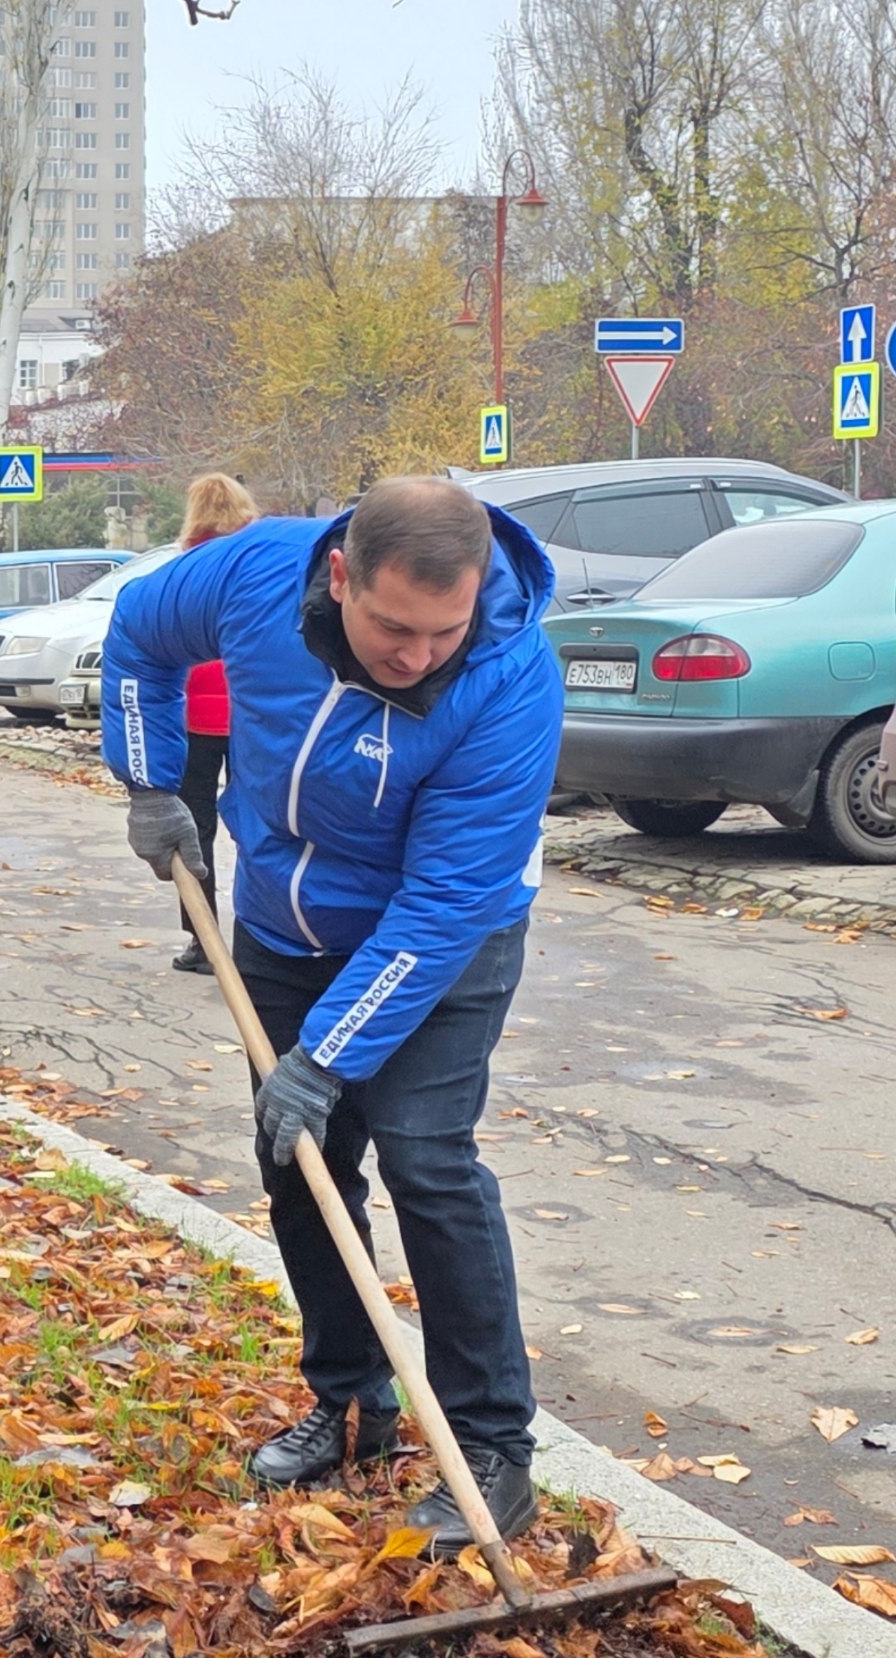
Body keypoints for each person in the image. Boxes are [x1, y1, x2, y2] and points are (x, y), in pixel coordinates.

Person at [99, 476, 562, 1554]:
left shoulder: (506, 678)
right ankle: (352, 1405)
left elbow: (444, 902)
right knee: (294, 1155)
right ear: (340, 574)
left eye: (442, 631)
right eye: (394, 627)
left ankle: (494, 1454)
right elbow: (136, 631)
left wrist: (328, 1052)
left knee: (427, 1159)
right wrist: (147, 778)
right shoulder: (257, 572)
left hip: (444, 938)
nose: (417, 656)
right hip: (279, 921)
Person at [169, 473, 260, 975]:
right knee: (260, 824)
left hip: (196, 719)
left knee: (193, 830)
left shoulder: (185, 570)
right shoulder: (260, 566)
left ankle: (204, 941)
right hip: (252, 714)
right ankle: (262, 938)